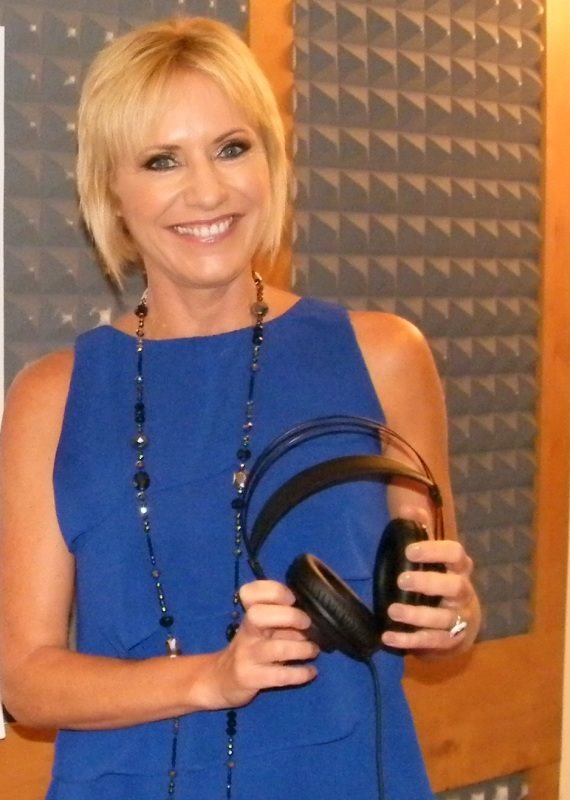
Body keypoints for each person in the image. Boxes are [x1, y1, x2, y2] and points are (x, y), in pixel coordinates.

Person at [0, 16, 481, 800]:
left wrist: (454, 618)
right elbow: (26, 681)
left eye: (231, 148)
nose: (208, 191)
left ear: (271, 160)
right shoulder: (51, 396)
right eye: (161, 160)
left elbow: (434, 626)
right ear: (111, 192)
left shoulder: (386, 356)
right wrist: (212, 678)